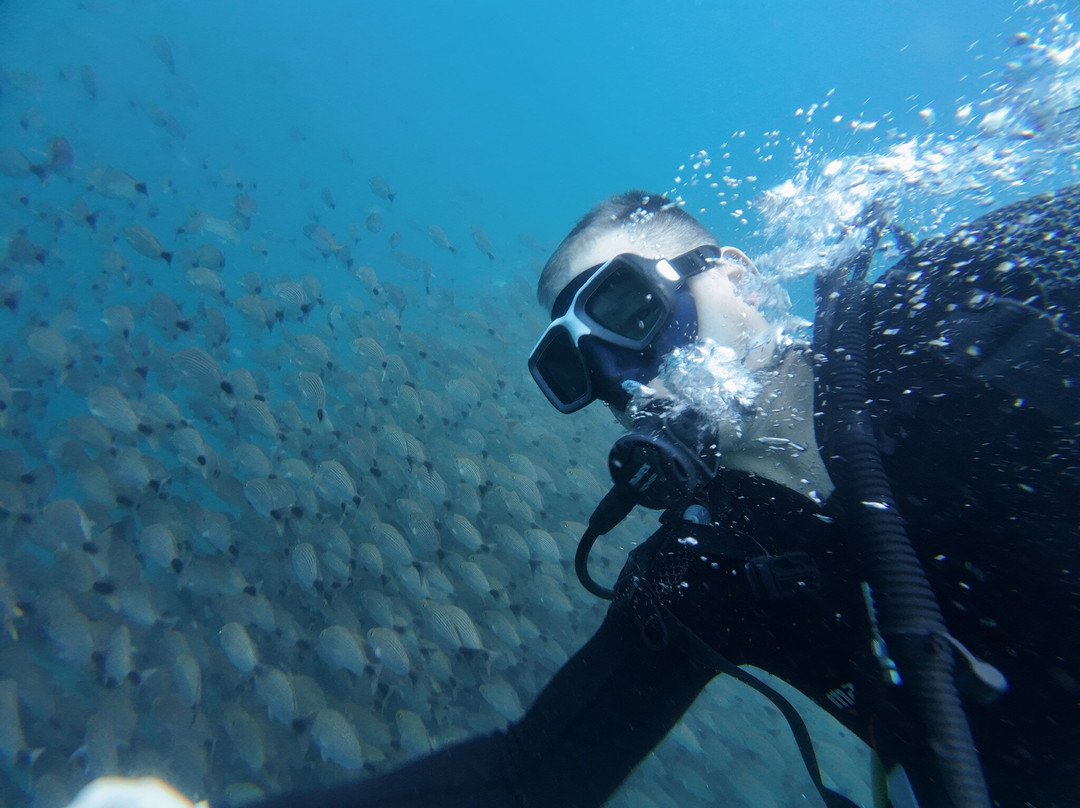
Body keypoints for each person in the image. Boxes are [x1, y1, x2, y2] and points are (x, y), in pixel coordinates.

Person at [66, 188, 1080, 808]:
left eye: (628, 307)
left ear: (732, 273)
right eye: (582, 368)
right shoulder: (704, 577)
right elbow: (522, 782)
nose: (631, 376)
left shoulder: (954, 323)